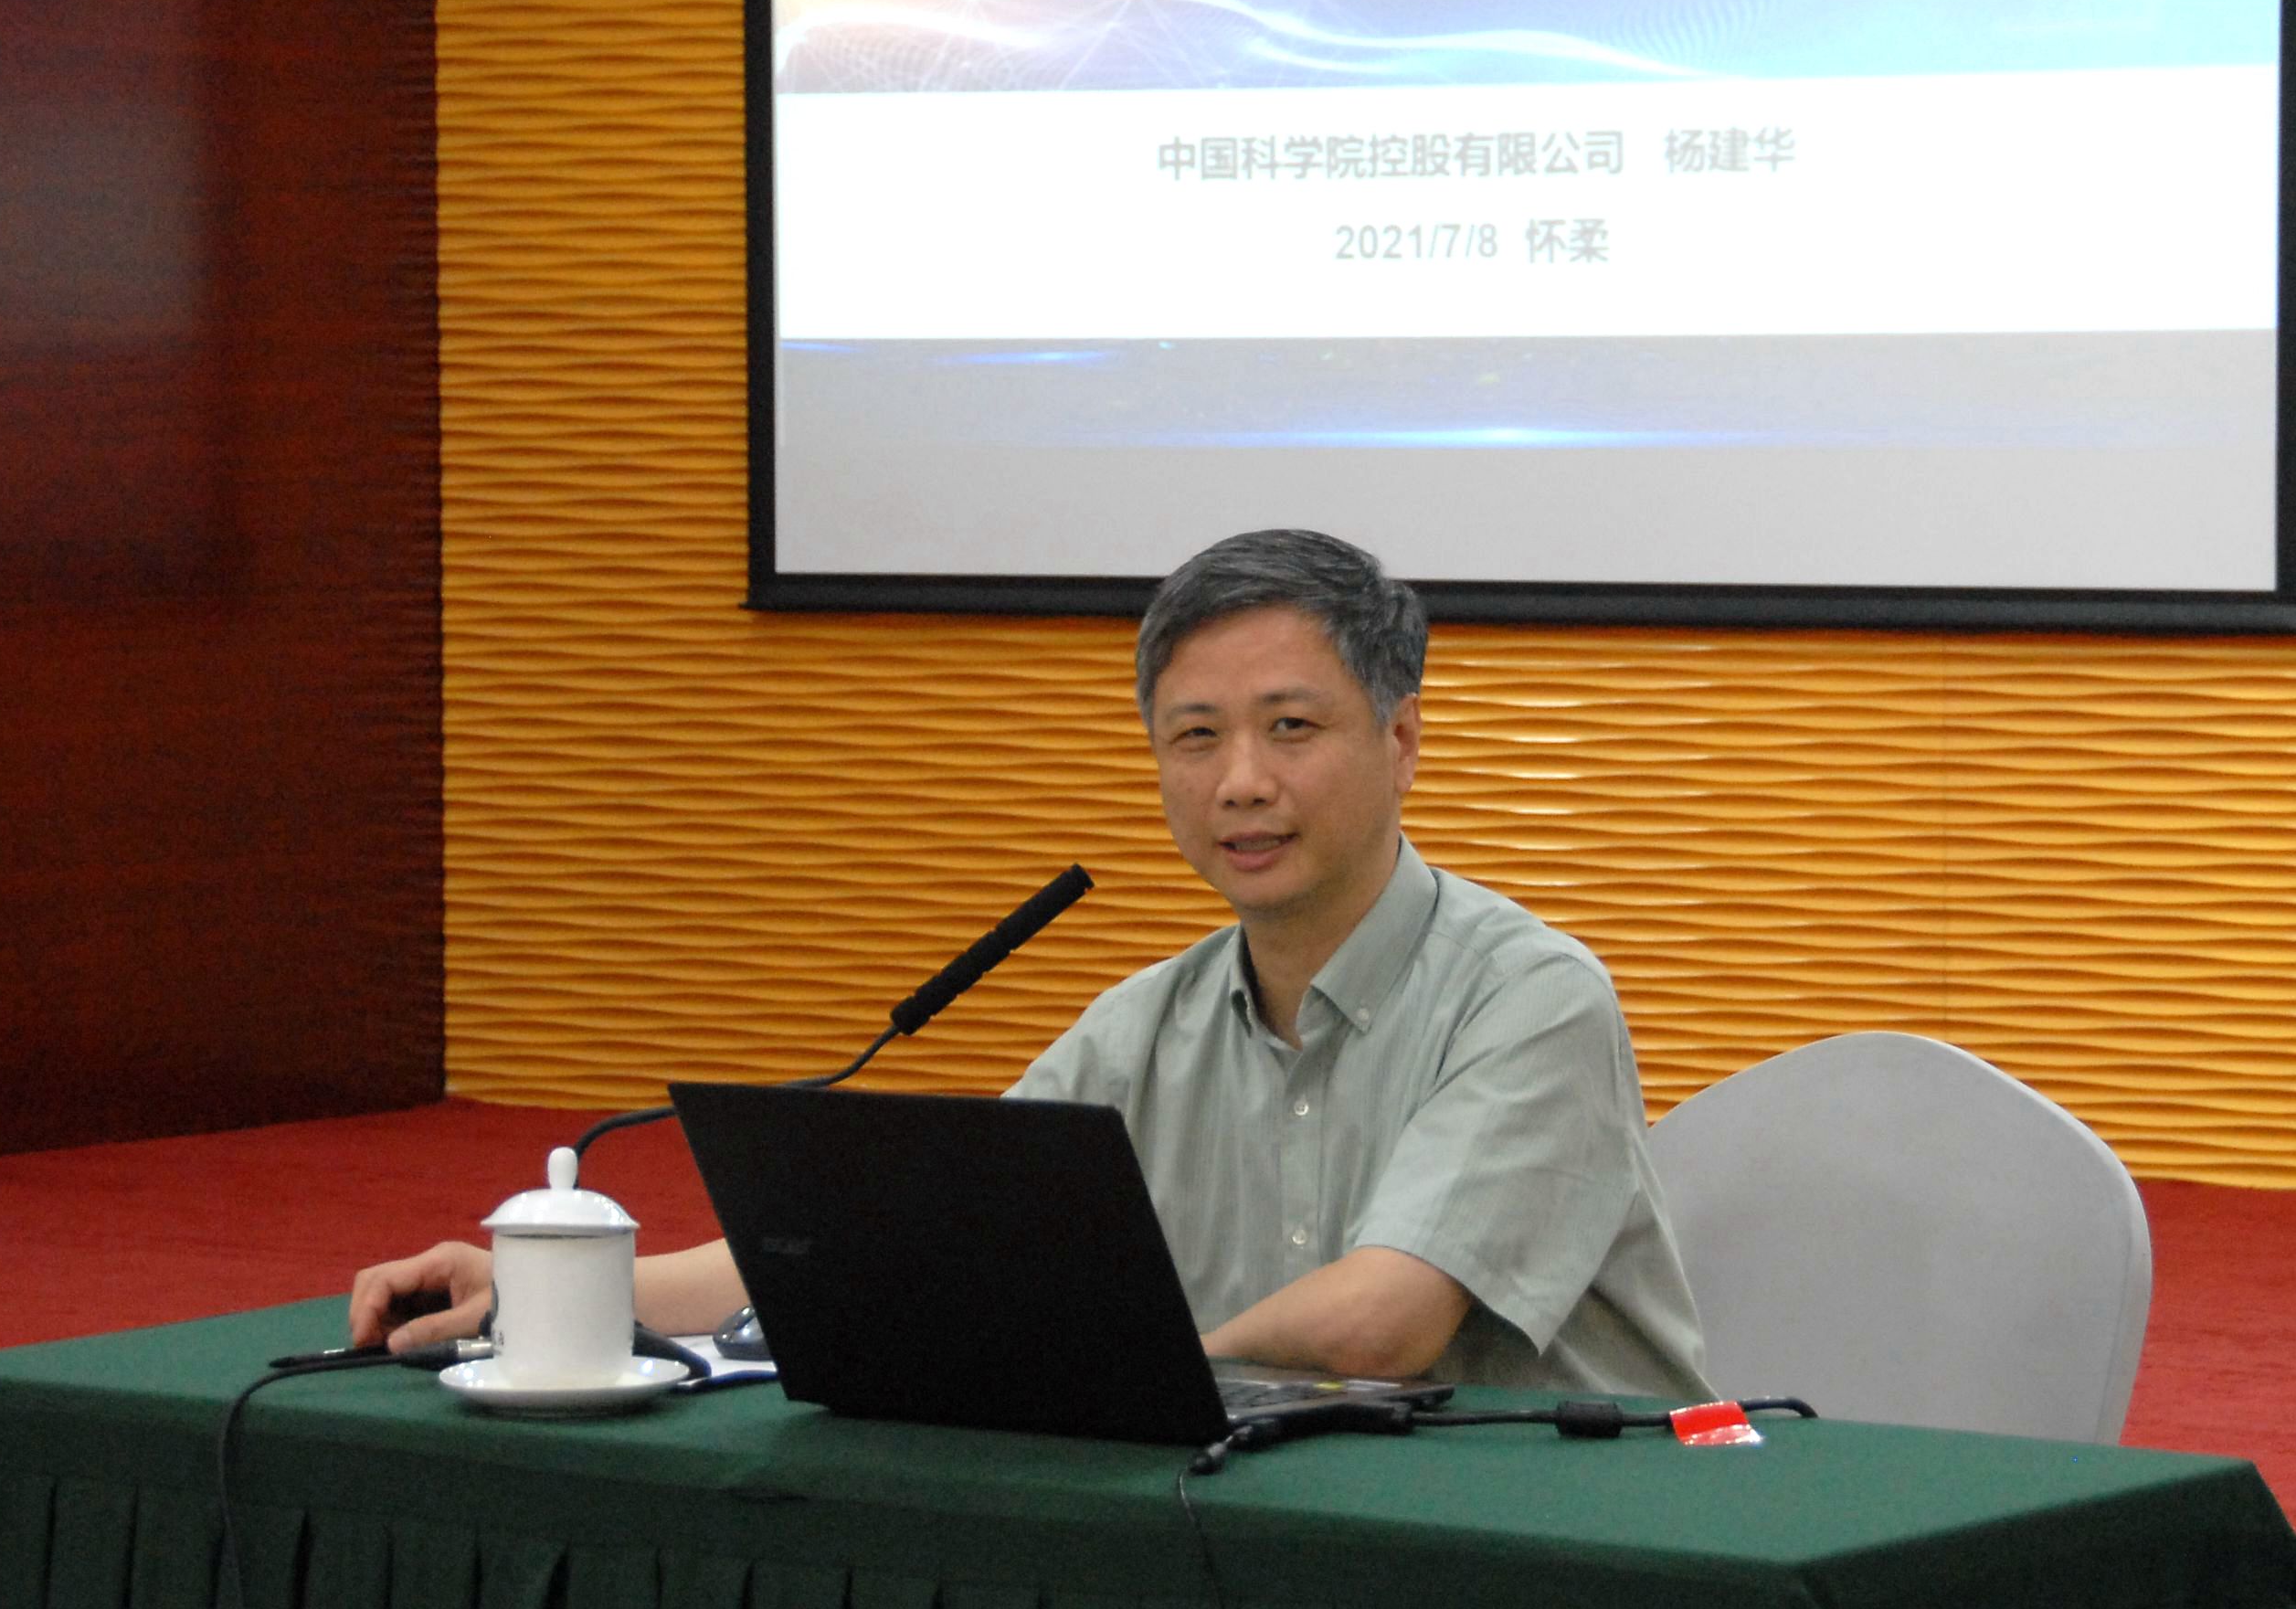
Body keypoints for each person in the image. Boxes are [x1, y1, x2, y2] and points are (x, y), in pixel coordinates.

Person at [351, 529, 1708, 1398]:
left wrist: (1110, 1376)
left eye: (1291, 727)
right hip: (1262, 1523)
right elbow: (899, 1250)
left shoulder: (1530, 999)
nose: (1241, 781)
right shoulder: (1144, 1024)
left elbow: (1382, 1325)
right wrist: (540, 1286)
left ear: (1402, 738)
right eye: (1195, 738)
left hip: (1573, 1551)